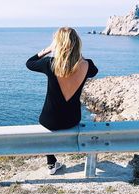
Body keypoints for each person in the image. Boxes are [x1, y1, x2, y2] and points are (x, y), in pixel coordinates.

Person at [26, 27, 98, 175]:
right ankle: (54, 163)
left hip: (49, 121)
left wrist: (48, 49)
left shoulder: (50, 64)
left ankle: (51, 164)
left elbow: (30, 63)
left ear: (58, 44)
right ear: (77, 44)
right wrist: (78, 54)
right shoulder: (86, 65)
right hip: (72, 120)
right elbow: (95, 71)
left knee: (46, 122)